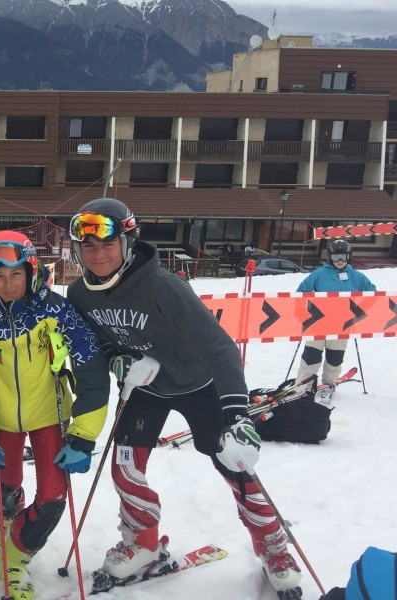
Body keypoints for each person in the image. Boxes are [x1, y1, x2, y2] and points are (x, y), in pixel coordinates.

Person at [65, 197, 303, 598]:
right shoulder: (80, 293)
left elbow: (219, 347)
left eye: (108, 244)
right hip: (146, 387)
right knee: (125, 468)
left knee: (234, 464)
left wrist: (237, 414)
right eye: (88, 246)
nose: (98, 254)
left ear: (127, 243)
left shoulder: (162, 286)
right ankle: (142, 543)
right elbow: (98, 341)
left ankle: (274, 546)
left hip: (199, 384)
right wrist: (118, 359)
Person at [0, 230, 109, 600]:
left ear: (31, 271)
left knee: (52, 499)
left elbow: (92, 371)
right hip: (0, 420)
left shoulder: (55, 308)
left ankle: (14, 557)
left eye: (16, 273)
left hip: (50, 416)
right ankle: (5, 536)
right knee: (8, 488)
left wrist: (83, 436)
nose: (7, 284)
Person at [295, 238, 375, 405]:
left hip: (341, 325)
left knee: (335, 357)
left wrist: (359, 312)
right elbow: (301, 292)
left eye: (343, 257)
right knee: (311, 356)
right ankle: (304, 386)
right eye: (336, 257)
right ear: (329, 257)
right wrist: (303, 314)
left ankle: (328, 385)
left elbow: (373, 294)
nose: (340, 261)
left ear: (349, 256)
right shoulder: (319, 274)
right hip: (317, 323)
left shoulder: (357, 277)